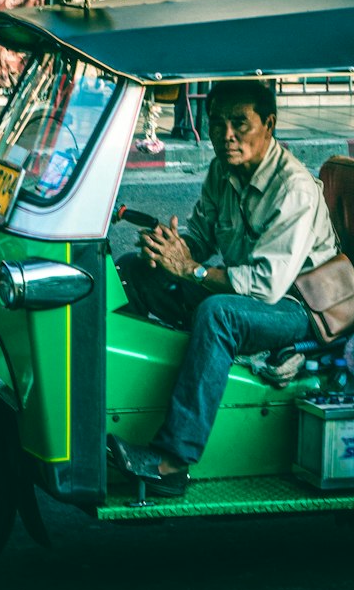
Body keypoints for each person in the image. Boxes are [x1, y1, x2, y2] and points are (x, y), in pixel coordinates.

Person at [108, 79, 340, 497]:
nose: (226, 135)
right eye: (216, 123)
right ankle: (124, 406)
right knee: (132, 271)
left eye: (239, 123)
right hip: (246, 292)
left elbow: (264, 288)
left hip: (297, 309)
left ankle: (172, 462)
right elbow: (201, 236)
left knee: (218, 315)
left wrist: (191, 270)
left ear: (268, 124)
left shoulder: (295, 190)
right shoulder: (222, 169)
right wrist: (171, 250)